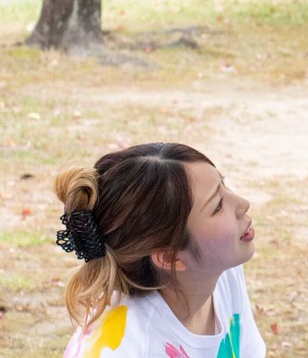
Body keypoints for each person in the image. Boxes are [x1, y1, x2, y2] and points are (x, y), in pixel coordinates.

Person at [55, 142, 265, 358]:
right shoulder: (130, 350)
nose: (243, 203)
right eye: (218, 205)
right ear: (170, 257)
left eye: (223, 184)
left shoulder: (220, 271)